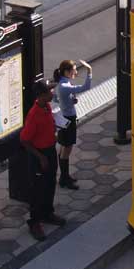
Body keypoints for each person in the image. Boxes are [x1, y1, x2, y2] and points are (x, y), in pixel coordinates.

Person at [20, 80, 67, 241]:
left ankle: (47, 213)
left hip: (49, 151)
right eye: (48, 92)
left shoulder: (46, 107)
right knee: (37, 189)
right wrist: (40, 158)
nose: (52, 93)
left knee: (50, 183)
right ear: (41, 96)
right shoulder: (33, 115)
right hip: (39, 156)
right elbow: (25, 140)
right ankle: (34, 222)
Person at [53, 59, 93, 190]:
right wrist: (89, 71)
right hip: (68, 119)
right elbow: (86, 87)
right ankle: (64, 178)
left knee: (64, 147)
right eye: (74, 70)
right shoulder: (65, 86)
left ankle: (64, 176)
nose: (76, 72)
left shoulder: (61, 83)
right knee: (67, 148)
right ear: (67, 72)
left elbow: (55, 98)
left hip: (64, 117)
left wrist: (68, 101)